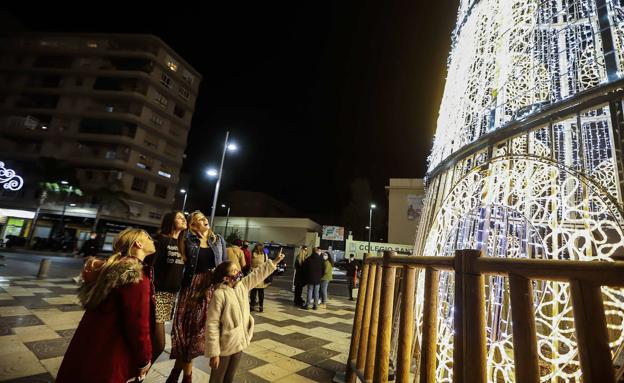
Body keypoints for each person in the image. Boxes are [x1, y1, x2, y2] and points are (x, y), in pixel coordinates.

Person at [57, 228, 156, 383]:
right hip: (111, 351)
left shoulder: (113, 267)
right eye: (149, 237)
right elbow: (138, 323)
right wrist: (144, 358)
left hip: (90, 345)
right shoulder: (135, 277)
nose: (152, 240)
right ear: (138, 243)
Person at [205, 250, 285, 383]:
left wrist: (275, 261)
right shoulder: (220, 294)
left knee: (229, 378)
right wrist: (214, 353)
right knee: (217, 379)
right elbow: (212, 324)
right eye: (234, 271)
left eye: (238, 269)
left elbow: (257, 275)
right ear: (226, 278)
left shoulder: (242, 286)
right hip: (224, 346)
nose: (238, 272)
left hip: (239, 341)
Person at [168, 211, 226, 383]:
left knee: (196, 333)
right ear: (192, 225)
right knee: (184, 331)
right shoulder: (187, 241)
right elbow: (182, 261)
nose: (205, 220)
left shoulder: (218, 240)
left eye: (205, 218)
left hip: (209, 289)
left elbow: (224, 264)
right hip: (191, 288)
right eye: (200, 219)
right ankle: (184, 375)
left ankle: (179, 374)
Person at [146, 211, 187, 363]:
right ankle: (138, 375)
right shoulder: (160, 240)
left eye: (184, 217)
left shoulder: (183, 245)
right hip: (157, 294)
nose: (183, 219)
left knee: (151, 341)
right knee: (159, 344)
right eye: (179, 217)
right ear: (170, 221)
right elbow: (148, 266)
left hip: (171, 297)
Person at [249, 243, 269, 312]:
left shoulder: (252, 254)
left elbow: (250, 264)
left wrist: (252, 268)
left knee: (253, 292)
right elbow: (267, 264)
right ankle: (261, 307)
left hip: (254, 274)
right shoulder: (265, 255)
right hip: (261, 275)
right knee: (261, 292)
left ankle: (252, 306)